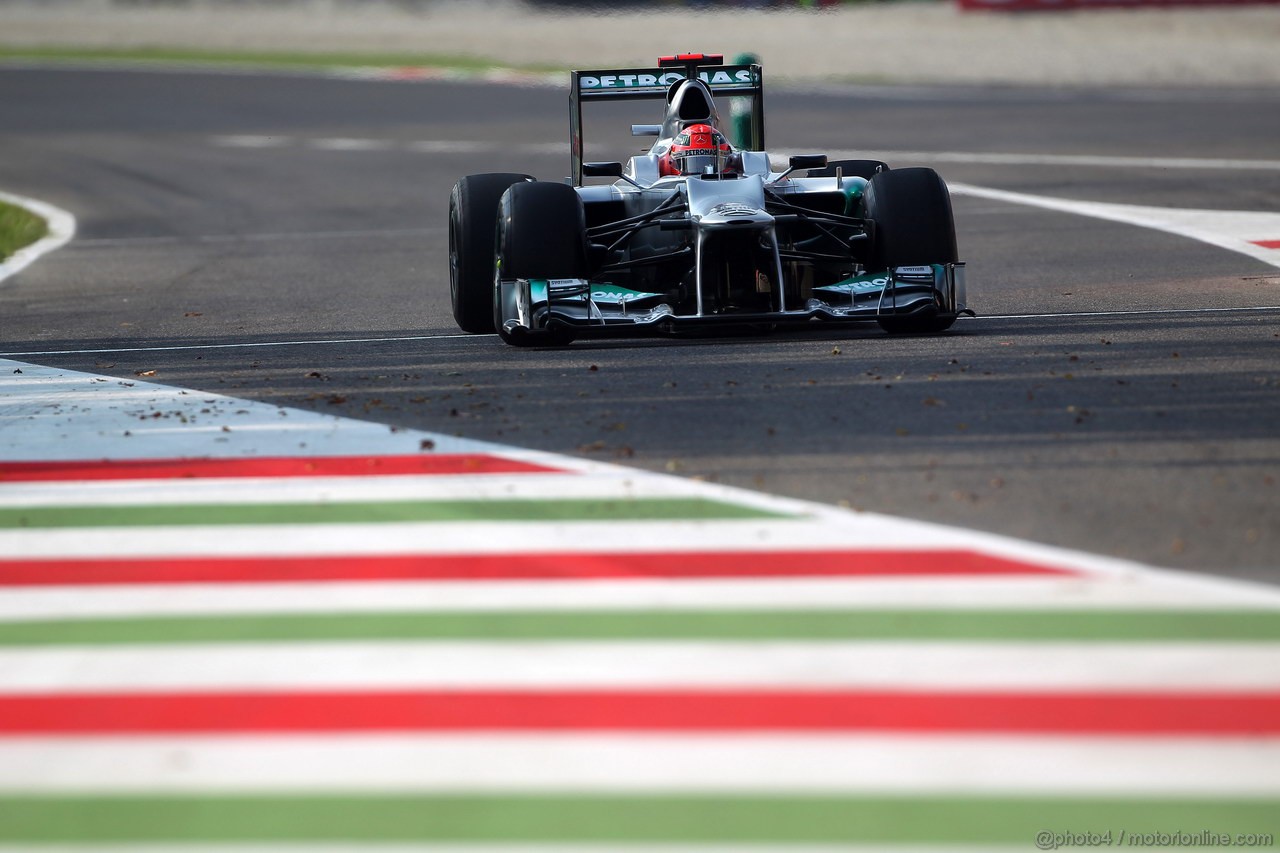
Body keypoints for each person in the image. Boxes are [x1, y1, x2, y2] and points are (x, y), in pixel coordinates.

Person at [658, 123, 739, 177]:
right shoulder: (659, 165)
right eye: (691, 166)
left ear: (730, 161)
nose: (703, 175)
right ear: (670, 162)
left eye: (712, 165)